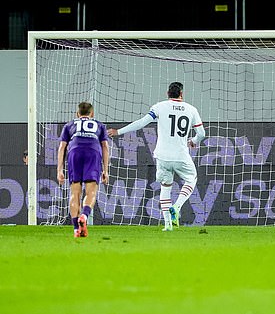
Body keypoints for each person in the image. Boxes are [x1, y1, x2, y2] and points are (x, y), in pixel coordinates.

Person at [108, 82, 205, 231]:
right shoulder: (191, 109)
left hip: (162, 156)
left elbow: (141, 123)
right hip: (181, 155)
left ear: (167, 94)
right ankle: (177, 206)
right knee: (192, 179)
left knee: (165, 188)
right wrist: (193, 141)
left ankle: (167, 226)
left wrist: (118, 132)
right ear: (181, 94)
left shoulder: (159, 107)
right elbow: (202, 134)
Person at [56, 102, 109, 238]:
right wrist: (105, 170)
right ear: (92, 114)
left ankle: (76, 229)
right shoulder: (99, 125)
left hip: (75, 153)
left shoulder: (69, 125)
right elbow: (105, 147)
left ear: (77, 114)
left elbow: (62, 147)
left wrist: (59, 170)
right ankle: (84, 216)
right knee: (91, 191)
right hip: (92, 152)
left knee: (75, 193)